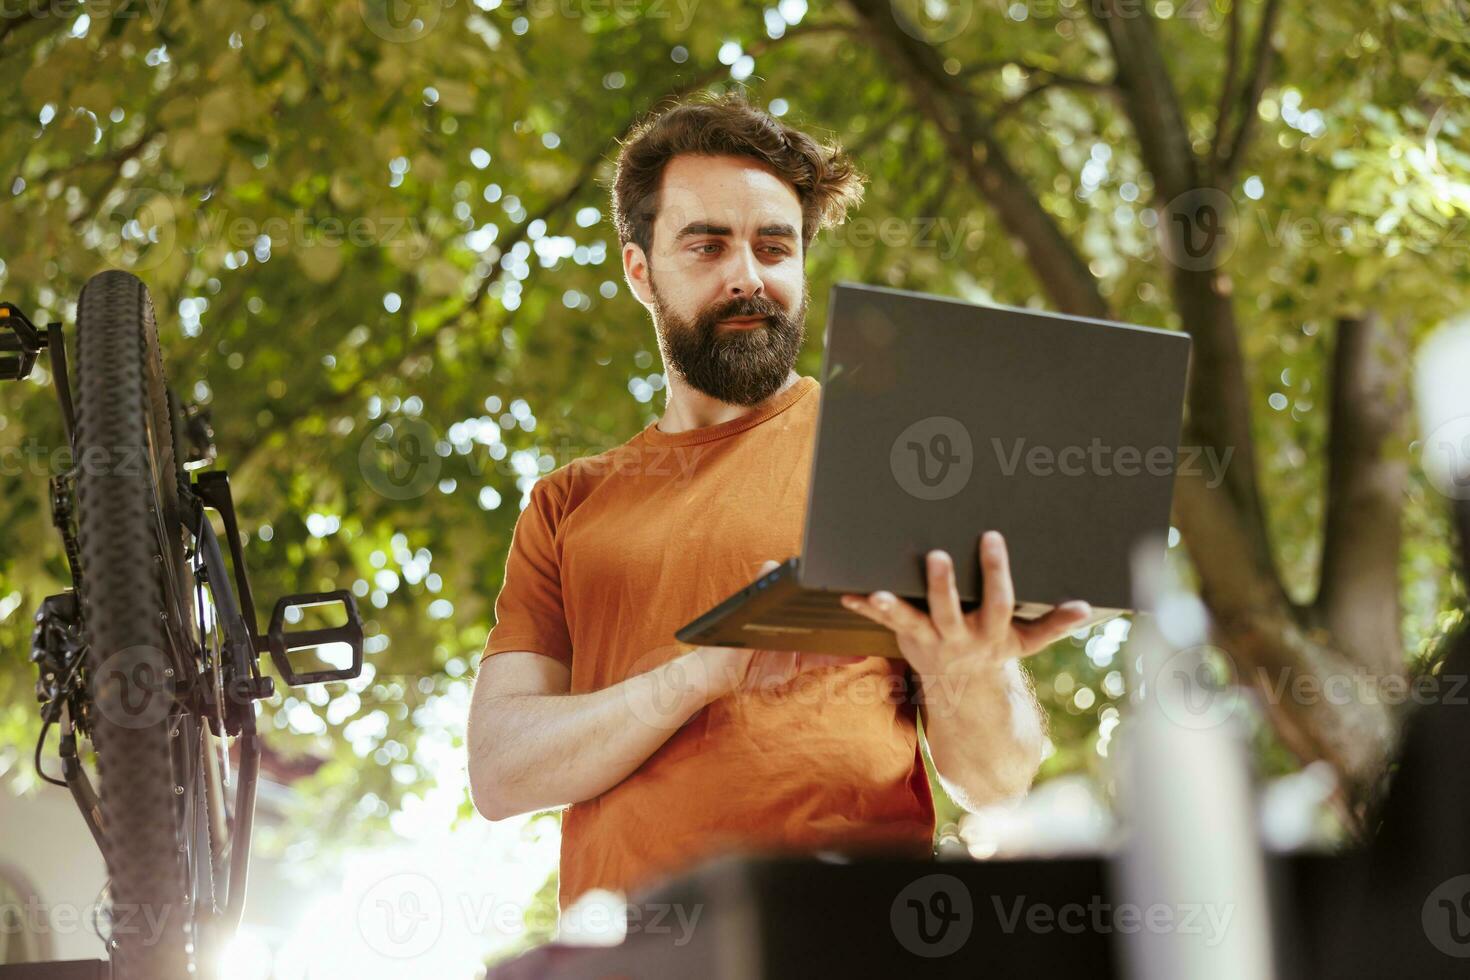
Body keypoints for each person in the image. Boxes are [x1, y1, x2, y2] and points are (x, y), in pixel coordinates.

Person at [465, 92, 1092, 913]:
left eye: (773, 246)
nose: (748, 277)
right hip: (632, 957)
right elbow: (501, 771)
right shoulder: (566, 505)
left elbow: (999, 780)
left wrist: (969, 670)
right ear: (639, 269)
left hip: (859, 940)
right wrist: (700, 676)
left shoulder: (894, 453)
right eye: (708, 246)